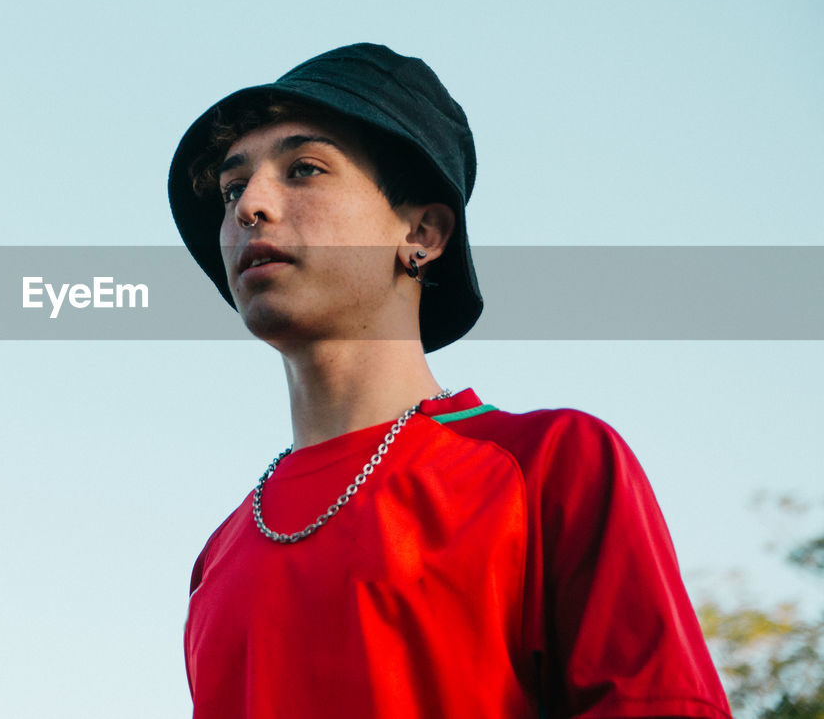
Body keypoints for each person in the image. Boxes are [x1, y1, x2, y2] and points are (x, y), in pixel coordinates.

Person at [166, 43, 732, 719]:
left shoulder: (552, 464)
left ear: (423, 232)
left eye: (304, 169)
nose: (249, 206)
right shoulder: (219, 556)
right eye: (233, 188)